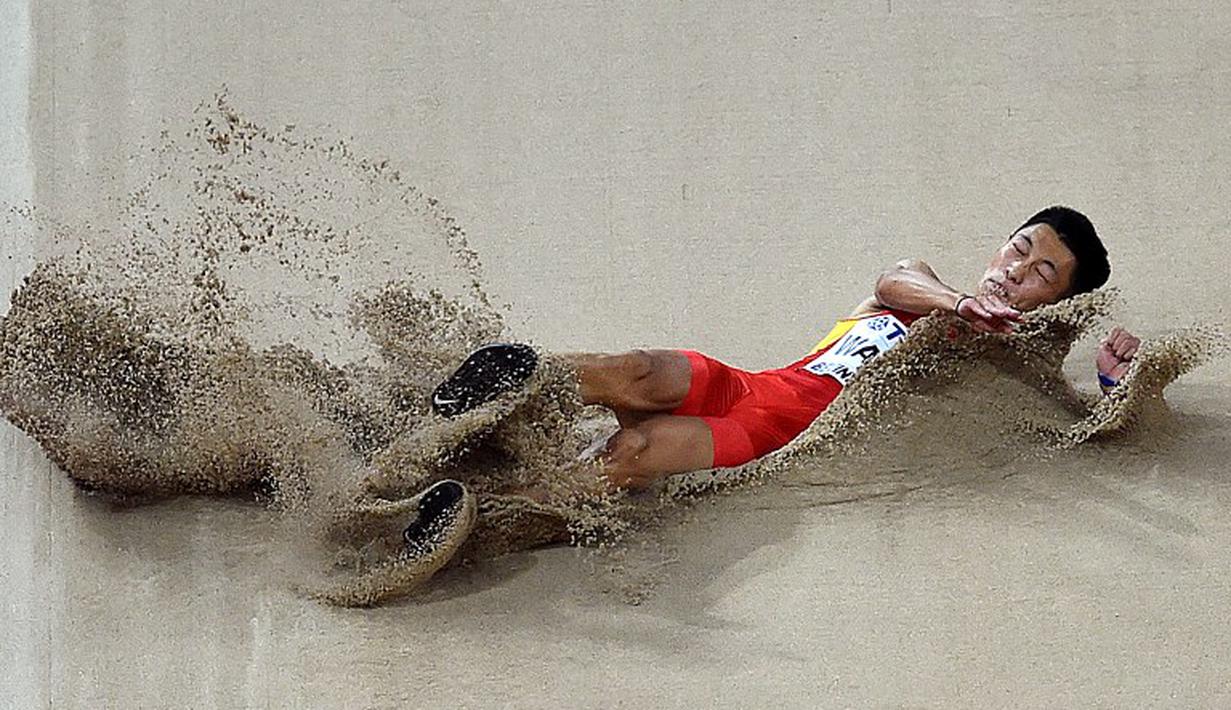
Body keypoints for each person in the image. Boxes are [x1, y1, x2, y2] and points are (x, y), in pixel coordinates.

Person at [431, 206, 1141, 491]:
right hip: (747, 385)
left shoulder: (1006, 368)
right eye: (1018, 249)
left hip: (766, 430)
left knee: (634, 452)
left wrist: (1114, 387)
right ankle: (484, 393)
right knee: (637, 372)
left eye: (1040, 272)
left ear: (1058, 301)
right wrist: (960, 303)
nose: (1015, 270)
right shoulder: (924, 287)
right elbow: (890, 278)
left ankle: (484, 507)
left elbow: (1073, 427)